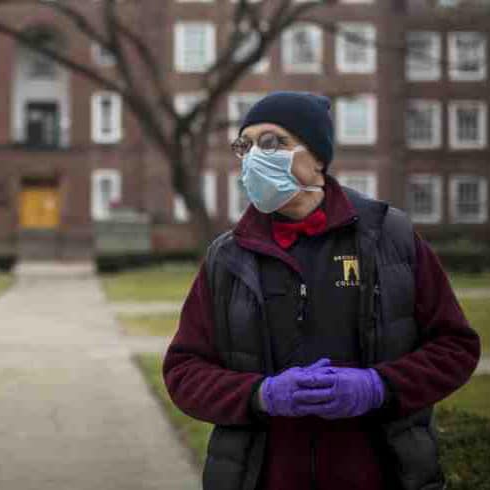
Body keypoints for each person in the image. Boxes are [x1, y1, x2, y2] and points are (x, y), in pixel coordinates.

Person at [162, 91, 481, 490]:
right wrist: (261, 395)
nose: (253, 157)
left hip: (381, 474)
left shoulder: (389, 236)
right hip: (262, 478)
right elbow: (183, 371)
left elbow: (455, 347)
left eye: (272, 142)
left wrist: (379, 387)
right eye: (245, 145)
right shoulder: (226, 258)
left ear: (318, 158)